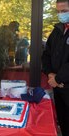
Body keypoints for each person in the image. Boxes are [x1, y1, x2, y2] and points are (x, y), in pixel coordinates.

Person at [41, 0, 69, 135]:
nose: (60, 14)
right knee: (63, 122)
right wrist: (50, 73)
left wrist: (58, 78)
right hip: (58, 86)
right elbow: (46, 54)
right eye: (58, 11)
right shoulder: (57, 30)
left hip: (66, 84)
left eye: (64, 11)